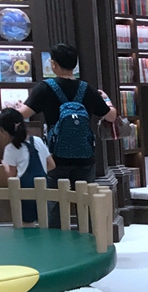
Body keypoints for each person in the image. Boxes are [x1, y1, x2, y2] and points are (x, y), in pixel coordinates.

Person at [18, 43, 117, 225]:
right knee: (86, 203)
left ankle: (56, 241)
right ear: (75, 64)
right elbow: (111, 116)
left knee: (55, 203)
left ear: (53, 64)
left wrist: (15, 108)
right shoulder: (88, 89)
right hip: (84, 156)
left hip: (56, 157)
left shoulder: (44, 88)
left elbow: (22, 115)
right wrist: (107, 100)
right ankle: (89, 239)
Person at [0, 108, 55, 223]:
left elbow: (10, 176)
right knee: (44, 224)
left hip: (24, 195)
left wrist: (4, 163)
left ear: (3, 131)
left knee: (27, 228)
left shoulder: (11, 149)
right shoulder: (37, 140)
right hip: (43, 191)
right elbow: (51, 164)